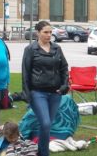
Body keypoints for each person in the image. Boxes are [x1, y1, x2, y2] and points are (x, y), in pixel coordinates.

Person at [22, 21, 69, 156]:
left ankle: (40, 151)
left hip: (55, 93)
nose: (49, 35)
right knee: (46, 123)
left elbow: (64, 68)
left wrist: (64, 85)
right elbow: (25, 72)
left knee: (46, 126)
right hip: (38, 92)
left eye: (50, 32)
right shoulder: (31, 49)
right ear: (38, 33)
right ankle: (44, 153)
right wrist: (27, 93)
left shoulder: (57, 48)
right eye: (45, 32)